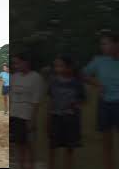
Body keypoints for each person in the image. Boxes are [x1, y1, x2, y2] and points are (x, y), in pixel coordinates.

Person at [83, 31, 119, 169]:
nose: (102, 47)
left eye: (105, 43)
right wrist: (95, 82)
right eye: (101, 44)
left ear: (116, 44)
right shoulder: (99, 60)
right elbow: (83, 73)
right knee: (106, 142)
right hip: (105, 104)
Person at [47, 54, 86, 169]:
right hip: (55, 117)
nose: (58, 69)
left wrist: (74, 104)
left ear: (69, 67)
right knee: (52, 147)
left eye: (61, 66)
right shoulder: (53, 82)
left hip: (71, 119)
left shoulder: (77, 83)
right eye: (56, 66)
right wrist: (48, 118)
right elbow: (50, 101)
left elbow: (83, 100)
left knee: (69, 149)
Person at [11, 52, 44, 169]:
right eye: (14, 63)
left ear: (26, 62)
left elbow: (36, 101)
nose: (16, 66)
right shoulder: (15, 77)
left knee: (29, 146)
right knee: (18, 145)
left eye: (18, 63)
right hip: (15, 114)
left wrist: (32, 120)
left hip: (27, 115)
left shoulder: (36, 78)